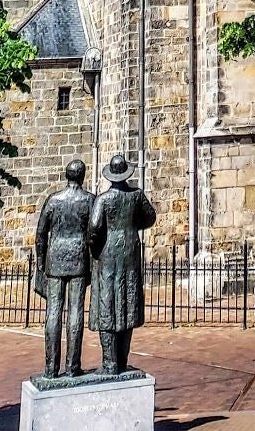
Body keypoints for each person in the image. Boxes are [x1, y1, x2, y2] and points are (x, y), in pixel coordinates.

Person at [88, 152, 157, 375]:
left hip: (108, 253)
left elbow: (95, 227)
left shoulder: (104, 199)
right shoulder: (136, 196)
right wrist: (131, 225)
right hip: (130, 250)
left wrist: (94, 247)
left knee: (107, 304)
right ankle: (121, 360)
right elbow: (150, 217)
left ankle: (110, 362)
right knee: (127, 303)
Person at [34, 159, 95, 378]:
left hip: (56, 258)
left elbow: (41, 234)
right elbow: (95, 232)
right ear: (83, 176)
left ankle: (51, 368)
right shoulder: (89, 200)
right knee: (76, 311)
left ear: (66, 175)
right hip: (78, 258)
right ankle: (72, 366)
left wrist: (41, 262)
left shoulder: (54, 200)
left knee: (53, 312)